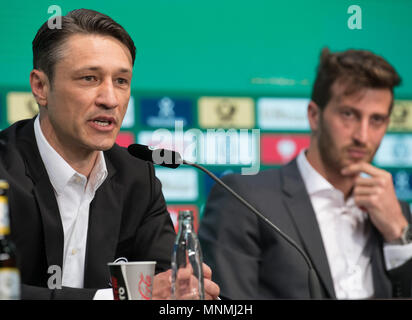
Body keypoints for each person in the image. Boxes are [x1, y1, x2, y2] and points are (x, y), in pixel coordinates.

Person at [0, 8, 219, 300]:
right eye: (89, 78)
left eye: (121, 81)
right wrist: (120, 297)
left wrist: (186, 291)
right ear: (41, 87)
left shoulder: (136, 177)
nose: (110, 99)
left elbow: (167, 281)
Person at [198, 48, 412, 299]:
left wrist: (400, 234)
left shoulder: (395, 213)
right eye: (349, 114)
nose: (362, 136)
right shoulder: (243, 198)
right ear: (314, 115)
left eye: (376, 120)